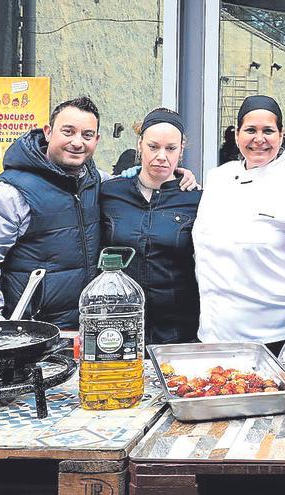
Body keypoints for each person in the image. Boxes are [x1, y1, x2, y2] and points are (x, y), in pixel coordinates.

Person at [0, 96, 198, 329]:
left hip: (88, 327)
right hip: (31, 330)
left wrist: (174, 177)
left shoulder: (97, 182)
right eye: (68, 131)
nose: (77, 142)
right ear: (48, 132)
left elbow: (143, 182)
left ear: (96, 140)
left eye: (87, 135)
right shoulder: (11, 193)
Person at [193, 95, 285, 355]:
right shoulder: (218, 178)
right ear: (236, 135)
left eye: (268, 130)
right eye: (250, 130)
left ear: (281, 135)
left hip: (274, 337)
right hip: (214, 333)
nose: (259, 139)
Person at [99, 108, 201, 345]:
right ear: (140, 145)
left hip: (178, 329)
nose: (161, 156)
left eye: (171, 148)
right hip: (117, 325)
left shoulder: (195, 199)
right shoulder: (110, 192)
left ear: (181, 150)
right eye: (153, 147)